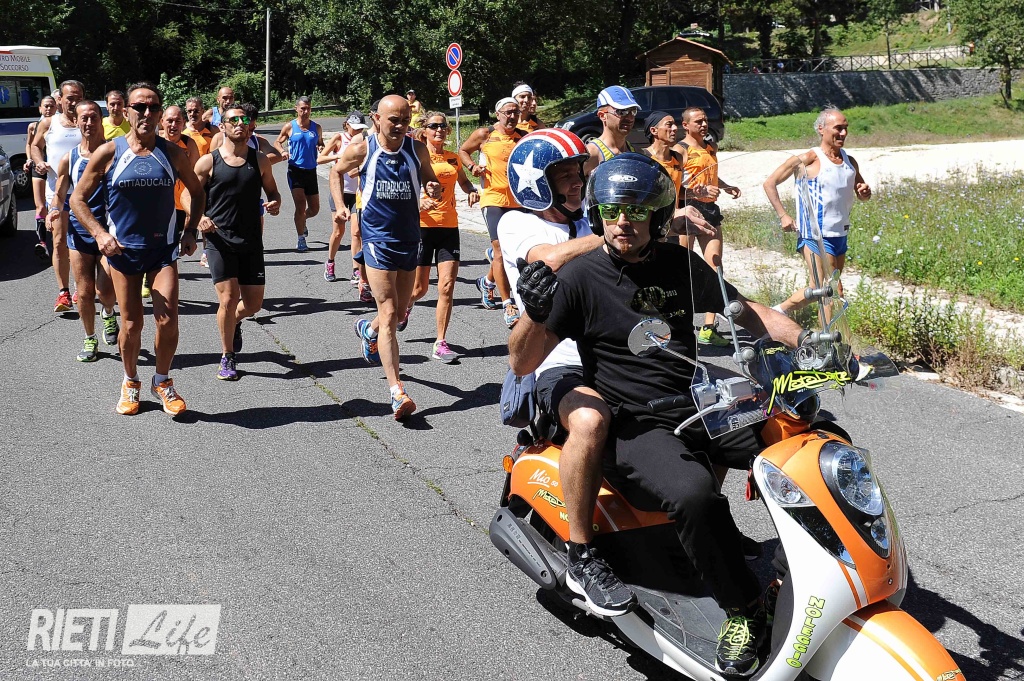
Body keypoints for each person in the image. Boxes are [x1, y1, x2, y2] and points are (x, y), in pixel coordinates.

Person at [509, 153, 804, 676]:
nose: (623, 220)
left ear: (659, 215)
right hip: (636, 420)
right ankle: (745, 609)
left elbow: (745, 311)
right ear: (598, 212)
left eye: (637, 210)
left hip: (697, 404)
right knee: (693, 494)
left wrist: (815, 346)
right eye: (612, 209)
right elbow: (523, 362)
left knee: (806, 440)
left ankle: (806, 570)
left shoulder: (680, 264)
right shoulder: (579, 277)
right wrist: (533, 310)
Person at [498, 128, 639, 616]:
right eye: (564, 175)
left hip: (615, 350)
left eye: (579, 172)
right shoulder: (519, 223)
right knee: (590, 421)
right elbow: (548, 259)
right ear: (537, 183)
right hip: (555, 360)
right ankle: (582, 555)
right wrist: (618, 234)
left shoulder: (590, 219)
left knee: (705, 405)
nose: (578, 181)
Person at [69, 81, 205, 417]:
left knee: (168, 319)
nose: (146, 112)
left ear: (159, 113)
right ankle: (130, 381)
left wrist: (190, 231)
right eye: (139, 107)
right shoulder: (109, 152)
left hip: (163, 250)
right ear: (127, 111)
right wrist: (100, 234)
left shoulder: (172, 152)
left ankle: (162, 380)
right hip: (123, 253)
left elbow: (198, 192)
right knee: (131, 325)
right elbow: (77, 199)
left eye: (153, 107)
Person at [329, 94, 442, 420]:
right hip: (377, 239)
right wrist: (340, 207)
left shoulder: (416, 149)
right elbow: (336, 172)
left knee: (401, 309)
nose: (400, 125)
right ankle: (397, 391)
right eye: (394, 119)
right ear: (376, 118)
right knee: (390, 312)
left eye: (405, 120)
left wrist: (432, 187)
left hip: (409, 237)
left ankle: (368, 330)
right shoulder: (363, 148)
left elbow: (429, 177)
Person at [194, 104, 282, 380]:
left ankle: (233, 322)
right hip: (219, 239)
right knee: (229, 298)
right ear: (222, 126)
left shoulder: (260, 160)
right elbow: (190, 196)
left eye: (244, 119)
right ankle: (227, 356)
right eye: (233, 120)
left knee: (254, 305)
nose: (240, 124)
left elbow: (273, 192)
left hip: (251, 240)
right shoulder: (208, 162)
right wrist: (200, 218)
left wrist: (275, 203)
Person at [763, 107, 871, 316]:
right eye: (838, 128)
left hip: (840, 233)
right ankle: (829, 337)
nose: (843, 133)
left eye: (846, 128)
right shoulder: (809, 158)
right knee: (831, 290)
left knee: (818, 288)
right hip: (815, 234)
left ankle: (776, 313)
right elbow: (770, 183)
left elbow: (862, 194)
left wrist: (865, 192)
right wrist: (783, 215)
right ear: (821, 129)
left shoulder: (850, 162)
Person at [47, 100, 120, 361]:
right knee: (85, 292)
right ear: (76, 122)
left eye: (93, 117)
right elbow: (60, 193)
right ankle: (90, 338)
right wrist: (54, 209)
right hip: (79, 232)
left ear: (101, 120)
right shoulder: (70, 158)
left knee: (105, 291)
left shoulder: (114, 154)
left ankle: (108, 313)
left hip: (109, 231)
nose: (89, 123)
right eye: (84, 118)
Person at [407, 112, 480, 362]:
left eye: (442, 126)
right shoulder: (416, 157)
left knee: (447, 286)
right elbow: (405, 188)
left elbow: (464, 182)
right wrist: (419, 202)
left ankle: (440, 342)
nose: (439, 129)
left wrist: (471, 190)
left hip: (449, 227)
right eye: (433, 126)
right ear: (424, 130)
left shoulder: (452, 158)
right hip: (422, 228)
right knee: (419, 288)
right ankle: (406, 306)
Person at [677, 106, 741, 347]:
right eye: (698, 122)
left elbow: (711, 174)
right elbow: (675, 185)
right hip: (688, 208)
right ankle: (680, 321)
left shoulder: (711, 146)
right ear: (686, 125)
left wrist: (725, 186)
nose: (704, 125)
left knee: (715, 265)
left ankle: (708, 326)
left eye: (705, 121)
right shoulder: (680, 150)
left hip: (710, 209)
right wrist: (697, 191)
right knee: (682, 264)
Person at [458, 97, 525, 327]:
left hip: (518, 200)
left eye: (516, 112)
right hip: (493, 197)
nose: (512, 116)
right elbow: (463, 150)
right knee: (499, 250)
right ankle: (508, 304)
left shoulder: (523, 136)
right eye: (508, 112)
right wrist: (472, 166)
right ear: (498, 114)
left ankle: (487, 282)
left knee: (514, 250)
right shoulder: (485, 134)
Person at [31, 80, 85, 313]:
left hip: (85, 193)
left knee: (83, 243)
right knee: (60, 241)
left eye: (78, 97)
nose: (74, 102)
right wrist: (39, 161)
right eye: (69, 98)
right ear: (60, 99)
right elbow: (35, 146)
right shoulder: (49, 122)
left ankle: (81, 286)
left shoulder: (88, 121)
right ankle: (63, 292)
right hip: (56, 193)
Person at [318, 110, 366, 282]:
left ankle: (356, 270)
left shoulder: (364, 141)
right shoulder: (339, 138)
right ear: (347, 125)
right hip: (339, 191)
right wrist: (340, 156)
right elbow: (320, 159)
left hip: (357, 192)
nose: (357, 131)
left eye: (360, 128)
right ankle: (330, 262)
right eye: (355, 128)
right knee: (339, 232)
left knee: (357, 232)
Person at [274, 96, 323, 252]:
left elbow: (320, 143)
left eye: (308, 108)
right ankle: (301, 238)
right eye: (302, 108)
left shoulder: (317, 128)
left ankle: (302, 220)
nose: (306, 111)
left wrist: (321, 147)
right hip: (295, 171)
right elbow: (277, 141)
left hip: (311, 171)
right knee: (300, 206)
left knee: (314, 209)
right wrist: (282, 151)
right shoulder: (290, 126)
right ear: (296, 109)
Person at [25, 95, 57, 260]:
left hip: (55, 170)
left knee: (56, 206)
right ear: (40, 108)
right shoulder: (33, 126)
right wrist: (29, 159)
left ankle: (59, 241)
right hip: (38, 169)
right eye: (46, 106)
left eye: (51, 106)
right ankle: (43, 243)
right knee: (40, 207)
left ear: (56, 108)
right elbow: (30, 144)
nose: (48, 109)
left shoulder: (60, 125)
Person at [582, 86, 638, 176]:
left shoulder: (634, 151)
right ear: (602, 116)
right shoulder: (592, 154)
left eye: (633, 111)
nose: (630, 118)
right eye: (622, 112)